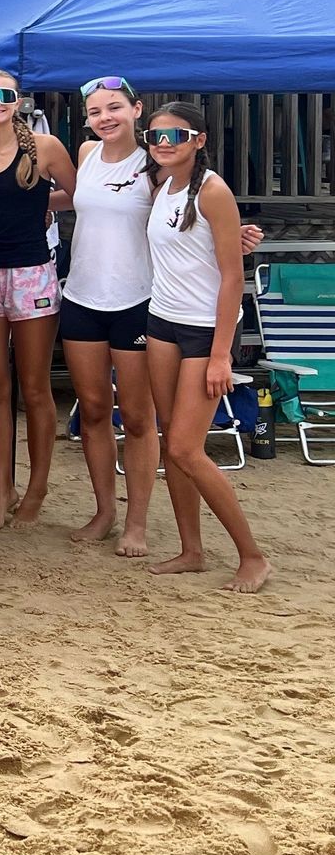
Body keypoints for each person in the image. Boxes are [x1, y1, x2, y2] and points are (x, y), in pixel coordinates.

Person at [141, 103, 270, 593]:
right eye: (154, 135)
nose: (164, 142)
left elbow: (232, 277)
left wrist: (220, 355)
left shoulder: (213, 189)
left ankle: (252, 556)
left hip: (205, 329)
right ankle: (191, 550)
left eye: (176, 134)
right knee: (170, 441)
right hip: (162, 321)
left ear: (199, 139)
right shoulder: (161, 184)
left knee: (184, 448)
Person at [0, 69, 76, 529]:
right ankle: (1, 489)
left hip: (31, 275)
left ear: (17, 100)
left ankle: (37, 487)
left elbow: (80, 193)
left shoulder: (45, 148)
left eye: (3, 94)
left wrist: (43, 204)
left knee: (34, 388)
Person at [58, 77, 159, 556]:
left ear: (137, 109)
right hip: (81, 296)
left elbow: (188, 212)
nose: (105, 119)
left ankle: (136, 522)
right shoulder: (85, 154)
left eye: (114, 108)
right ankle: (104, 511)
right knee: (94, 411)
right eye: (96, 112)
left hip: (136, 301)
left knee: (138, 417)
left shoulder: (155, 162)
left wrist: (234, 231)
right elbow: (81, 202)